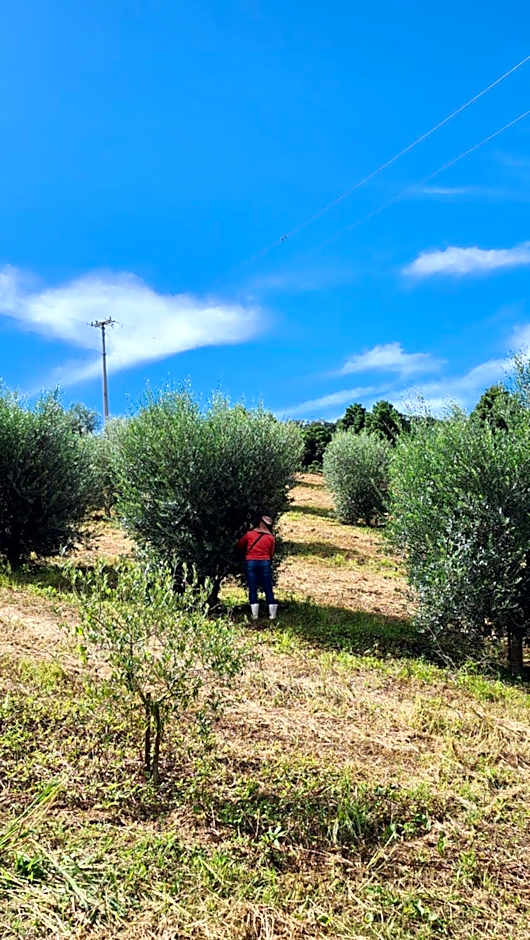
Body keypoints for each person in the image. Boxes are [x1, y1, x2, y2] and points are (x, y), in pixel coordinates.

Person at [237, 515, 278, 621]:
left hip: (251, 562)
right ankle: (272, 615)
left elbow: (240, 545)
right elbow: (271, 553)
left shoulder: (249, 534)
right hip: (265, 562)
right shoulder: (271, 538)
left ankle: (255, 615)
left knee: (252, 588)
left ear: (260, 523)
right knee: (268, 588)